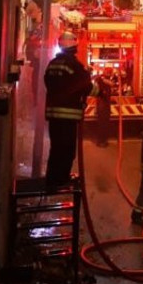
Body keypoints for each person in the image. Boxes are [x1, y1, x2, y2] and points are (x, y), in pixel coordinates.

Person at [44, 30, 108, 189]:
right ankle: (62, 180)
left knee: (56, 148)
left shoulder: (52, 64)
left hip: (53, 114)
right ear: (74, 48)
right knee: (67, 150)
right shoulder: (74, 65)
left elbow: (49, 84)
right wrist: (101, 92)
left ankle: (52, 180)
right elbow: (86, 86)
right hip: (68, 116)